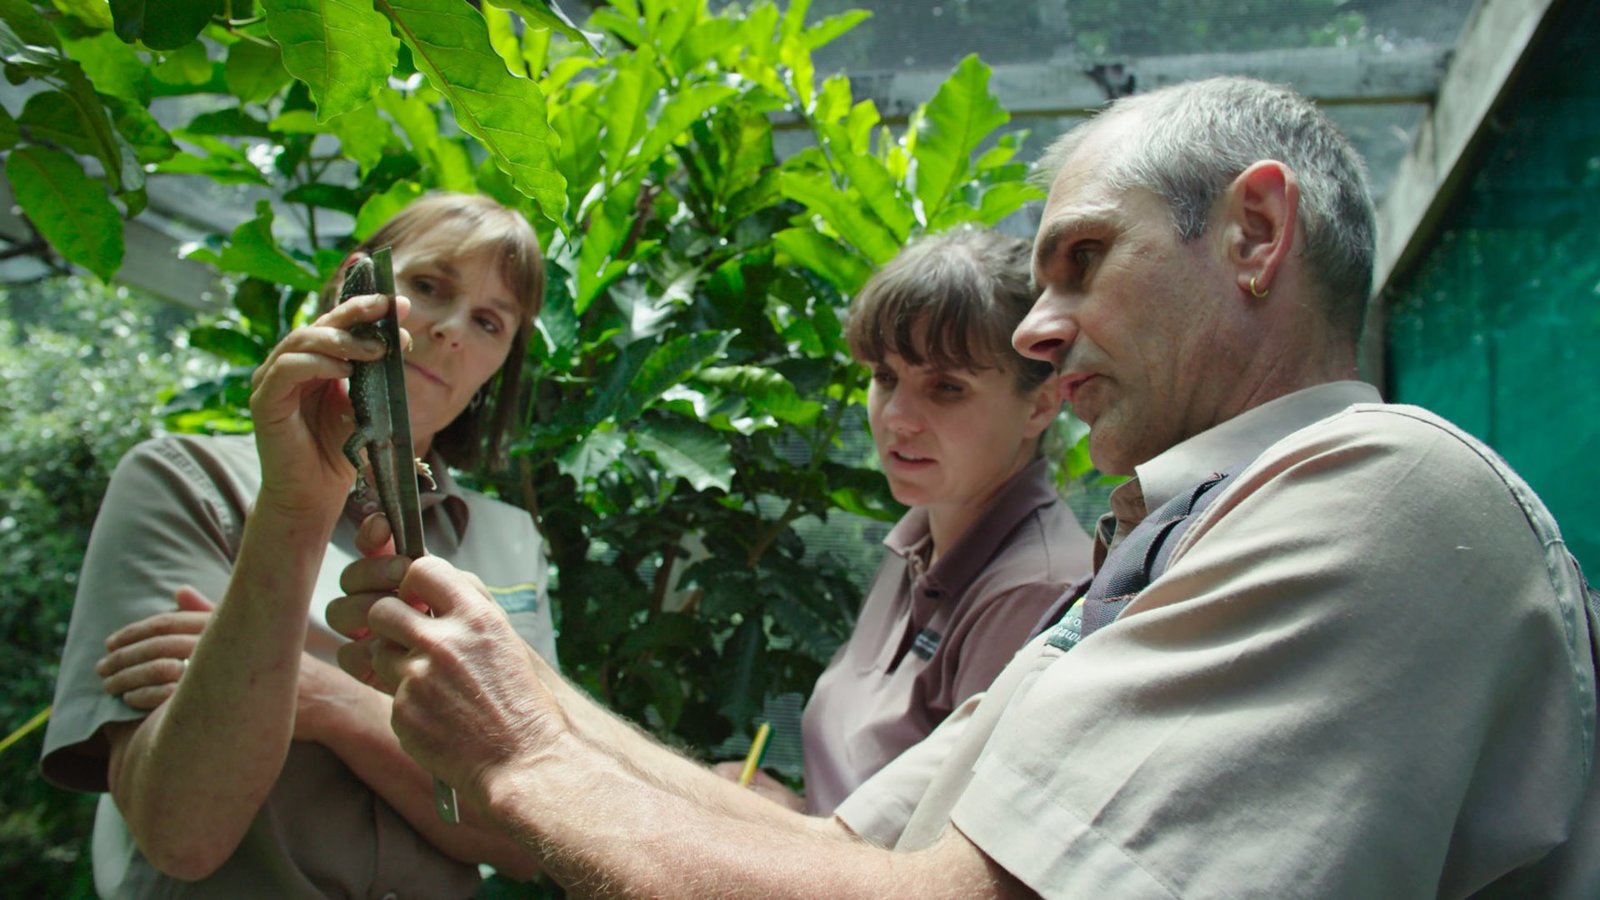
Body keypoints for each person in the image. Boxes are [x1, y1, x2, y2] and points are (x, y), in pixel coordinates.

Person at [328, 76, 1600, 897]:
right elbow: (842, 849)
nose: (1037, 330)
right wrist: (516, 688)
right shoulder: (1155, 550)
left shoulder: (1382, 493)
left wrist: (524, 761)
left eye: (1082, 259)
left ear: (1255, 235)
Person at [39, 192, 555, 898]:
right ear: (356, 286)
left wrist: (323, 696)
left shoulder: (511, 541)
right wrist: (294, 509)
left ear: (502, 362)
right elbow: (182, 833)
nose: (451, 329)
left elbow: (529, 840)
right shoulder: (186, 481)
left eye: (490, 322)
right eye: (430, 286)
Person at [717, 229, 1093, 817]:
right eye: (885, 377)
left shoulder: (1035, 593)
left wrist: (779, 831)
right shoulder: (921, 536)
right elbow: (862, 800)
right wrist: (790, 809)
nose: (896, 417)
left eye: (946, 387)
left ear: (1041, 405)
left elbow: (947, 851)